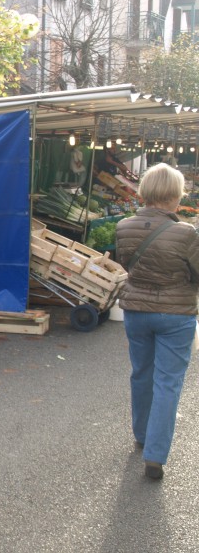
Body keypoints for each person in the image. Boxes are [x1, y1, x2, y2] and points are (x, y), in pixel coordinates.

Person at [115, 163, 199, 480]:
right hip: (176, 315)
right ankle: (155, 454)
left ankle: (141, 434)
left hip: (136, 311)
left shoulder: (123, 226)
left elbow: (127, 264)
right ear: (175, 196)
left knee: (141, 373)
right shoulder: (186, 233)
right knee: (168, 383)